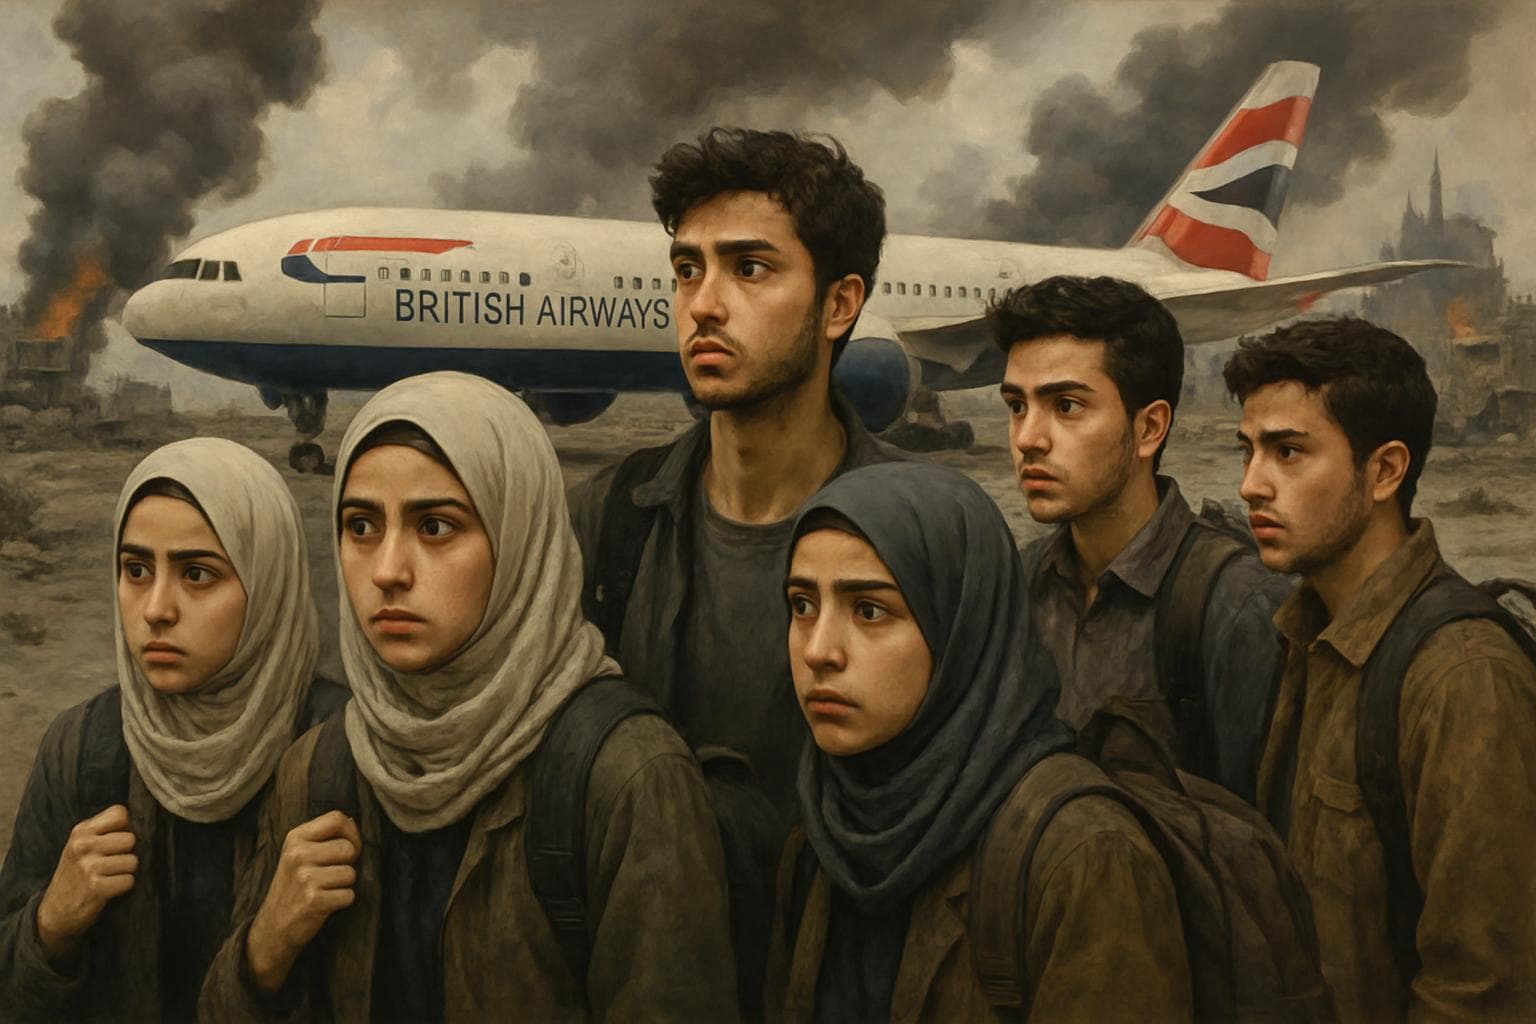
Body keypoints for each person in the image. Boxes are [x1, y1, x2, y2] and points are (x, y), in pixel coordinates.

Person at [200, 371, 737, 1023]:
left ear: (518, 541)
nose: (389, 570)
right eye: (361, 526)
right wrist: (261, 956)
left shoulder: (627, 778)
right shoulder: (318, 768)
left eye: (435, 526)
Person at [766, 461, 1192, 1022]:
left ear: (961, 630)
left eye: (869, 610)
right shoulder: (828, 822)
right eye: (803, 605)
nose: (819, 650)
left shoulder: (1083, 855)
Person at [568, 127, 902, 817]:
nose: (703, 305)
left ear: (839, 305)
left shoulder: (921, 535)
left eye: (748, 268)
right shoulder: (606, 519)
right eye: (688, 269)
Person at [1226, 317, 1536, 1020]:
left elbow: (1482, 989)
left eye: (1288, 452)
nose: (1250, 484)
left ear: (1386, 471)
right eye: (1247, 451)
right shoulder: (1310, 633)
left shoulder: (1462, 676)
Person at [0, 438, 340, 1023]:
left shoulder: (341, 748)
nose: (156, 608)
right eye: (135, 570)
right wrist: (50, 922)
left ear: (267, 584)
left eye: (198, 573)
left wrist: (269, 952)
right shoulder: (83, 745)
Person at [992, 274, 1289, 800]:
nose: (1028, 439)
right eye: (1017, 405)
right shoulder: (1015, 585)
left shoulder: (1235, 603)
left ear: (1150, 428)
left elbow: (1269, 843)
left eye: (1066, 406)